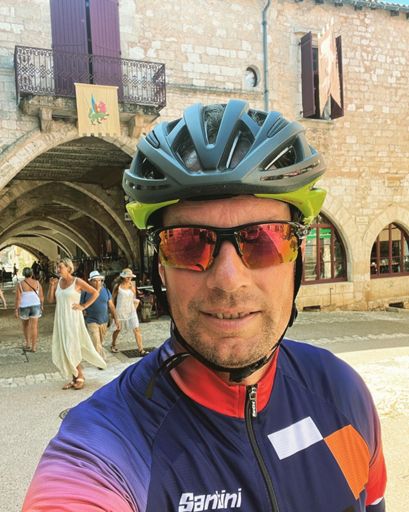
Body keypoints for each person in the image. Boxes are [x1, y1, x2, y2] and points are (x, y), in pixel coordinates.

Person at [23, 101, 386, 511]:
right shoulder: (107, 444)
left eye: (264, 240)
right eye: (188, 243)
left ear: (296, 260)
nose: (229, 280)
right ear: (161, 268)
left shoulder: (342, 392)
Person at [48, 257, 107, 390]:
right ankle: (74, 376)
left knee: (72, 346)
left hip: (73, 318)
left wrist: (83, 306)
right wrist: (51, 286)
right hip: (61, 318)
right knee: (65, 347)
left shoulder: (77, 281)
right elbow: (51, 300)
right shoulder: (58, 282)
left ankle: (80, 376)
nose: (58, 269)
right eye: (57, 267)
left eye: (60, 267)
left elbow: (95, 293)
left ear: (68, 268)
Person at [80, 270, 120, 361]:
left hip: (104, 321)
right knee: (96, 340)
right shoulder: (85, 292)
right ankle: (101, 360)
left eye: (99, 280)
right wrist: (83, 313)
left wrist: (116, 319)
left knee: (100, 341)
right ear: (90, 282)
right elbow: (81, 306)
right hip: (91, 320)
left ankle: (97, 354)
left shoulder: (106, 291)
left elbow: (111, 306)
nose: (98, 283)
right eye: (95, 281)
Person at [110, 268, 147, 355]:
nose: (129, 278)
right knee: (117, 329)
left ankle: (141, 350)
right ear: (123, 277)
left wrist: (135, 305)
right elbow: (112, 299)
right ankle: (113, 344)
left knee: (136, 329)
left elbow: (134, 297)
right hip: (120, 311)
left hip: (131, 310)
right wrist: (112, 312)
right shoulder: (117, 286)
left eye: (130, 277)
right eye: (128, 277)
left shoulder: (131, 285)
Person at [14, 267, 44, 352]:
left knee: (25, 326)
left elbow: (18, 299)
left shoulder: (20, 284)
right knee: (34, 327)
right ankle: (34, 347)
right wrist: (42, 305)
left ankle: (28, 344)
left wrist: (16, 310)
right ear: (32, 274)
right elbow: (41, 296)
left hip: (24, 306)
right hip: (35, 305)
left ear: (24, 274)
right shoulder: (37, 283)